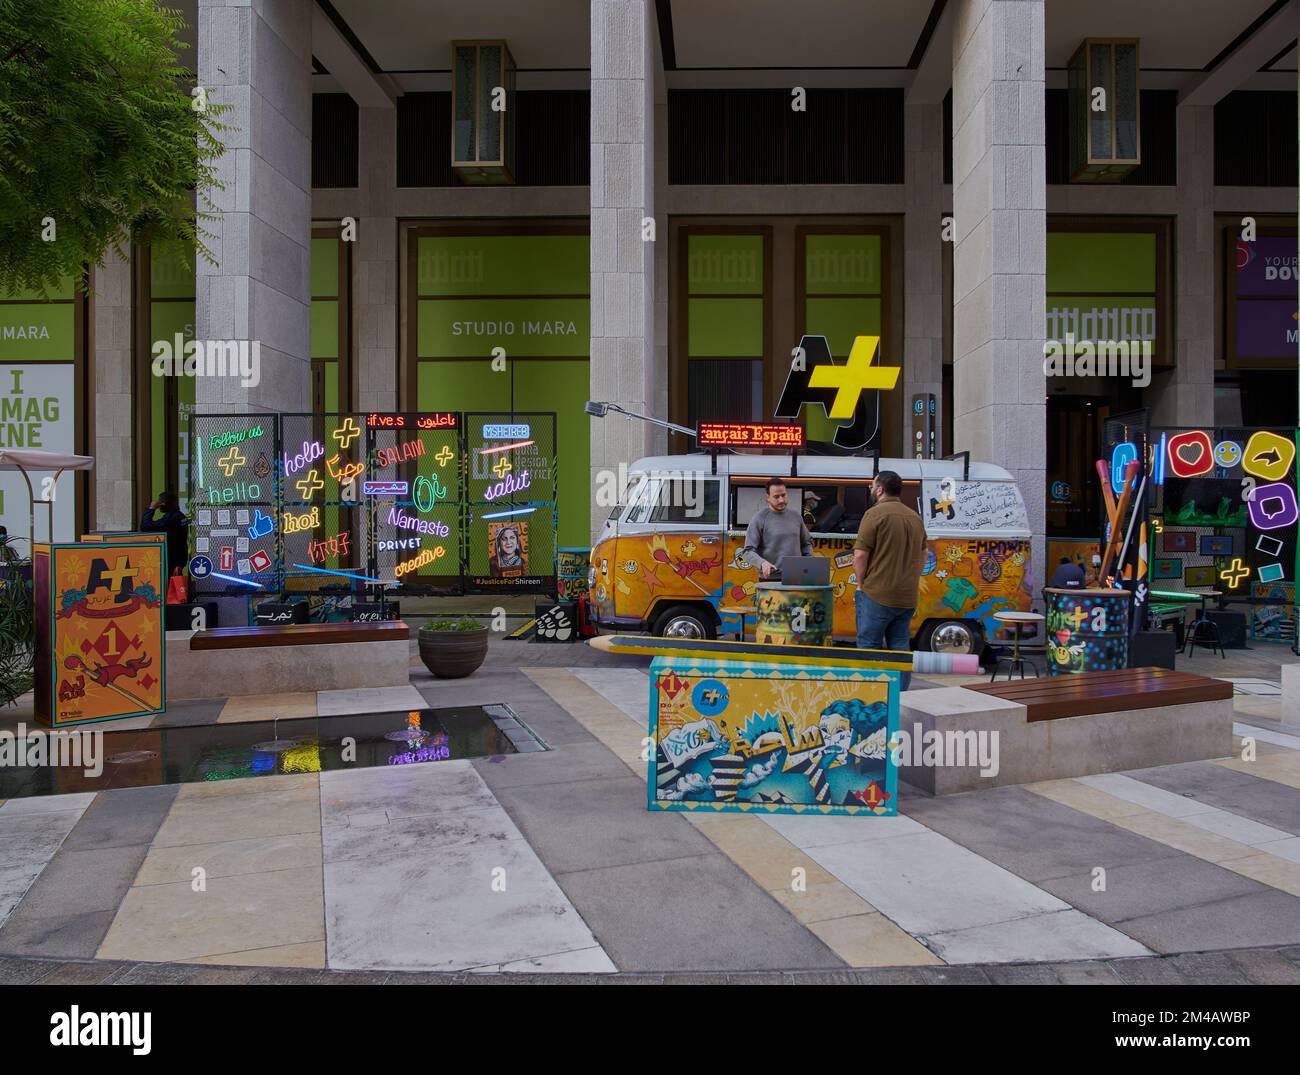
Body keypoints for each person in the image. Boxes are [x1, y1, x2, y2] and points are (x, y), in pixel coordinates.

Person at [853, 470, 927, 690]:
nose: (871, 489)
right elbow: (923, 554)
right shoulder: (915, 517)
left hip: (877, 593)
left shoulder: (874, 514)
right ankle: (902, 695)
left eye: (872, 486)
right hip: (907, 597)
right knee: (900, 647)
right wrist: (911, 577)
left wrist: (860, 584)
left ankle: (869, 693)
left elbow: (860, 555)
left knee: (868, 645)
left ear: (880, 489)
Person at [742, 478, 812, 581]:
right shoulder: (759, 518)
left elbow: (806, 543)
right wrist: (762, 563)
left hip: (797, 578)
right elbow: (748, 551)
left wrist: (808, 561)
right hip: (770, 581)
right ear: (768, 498)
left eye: (783, 495)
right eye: (776, 497)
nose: (781, 500)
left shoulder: (796, 516)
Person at [139, 492, 189, 578]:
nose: (159, 505)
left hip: (171, 561)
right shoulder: (179, 516)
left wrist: (151, 508)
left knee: (169, 587)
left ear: (164, 503)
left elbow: (145, 526)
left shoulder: (172, 519)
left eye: (160, 502)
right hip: (178, 559)